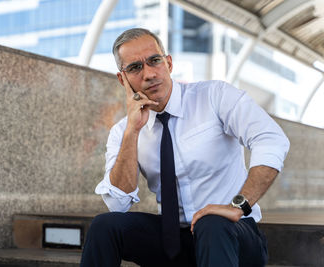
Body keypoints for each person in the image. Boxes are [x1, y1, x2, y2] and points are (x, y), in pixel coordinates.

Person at [80, 28, 290, 267]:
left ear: (168, 63)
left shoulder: (214, 96)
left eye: (154, 61)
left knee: (211, 224)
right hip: (174, 240)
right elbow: (117, 204)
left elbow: (271, 138)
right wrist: (133, 131)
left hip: (231, 234)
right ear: (122, 79)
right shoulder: (123, 130)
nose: (148, 74)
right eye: (135, 68)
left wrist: (239, 206)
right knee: (104, 226)